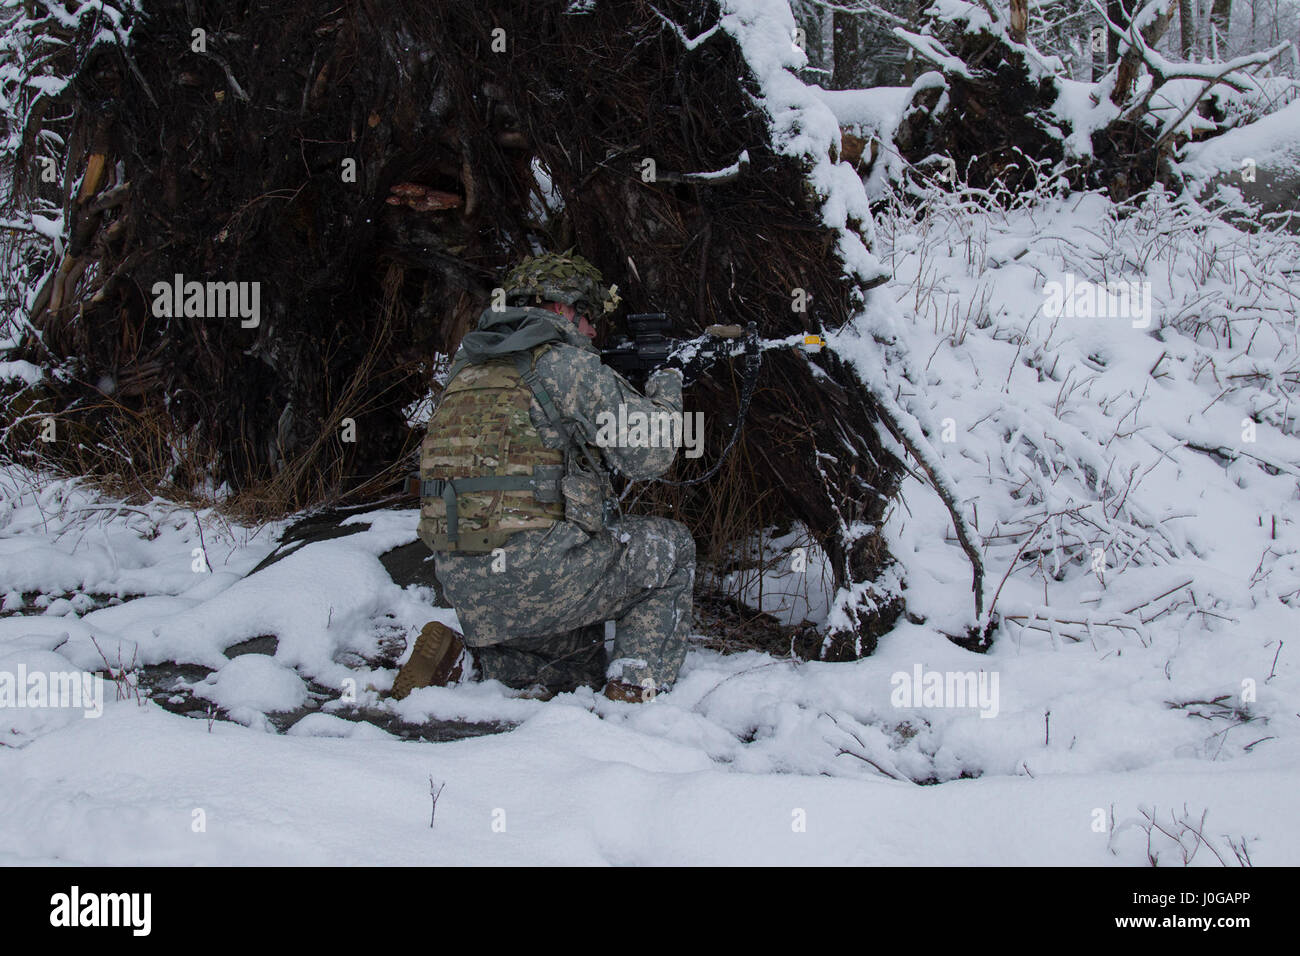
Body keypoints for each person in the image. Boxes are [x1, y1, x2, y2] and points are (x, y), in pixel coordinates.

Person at [392, 251, 694, 703]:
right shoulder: (561, 366)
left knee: (572, 666)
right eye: (589, 318)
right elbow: (651, 455)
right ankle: (634, 688)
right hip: (540, 577)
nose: (592, 332)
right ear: (562, 309)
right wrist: (668, 381)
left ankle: (460, 664)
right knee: (670, 549)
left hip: (468, 587)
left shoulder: (464, 372)